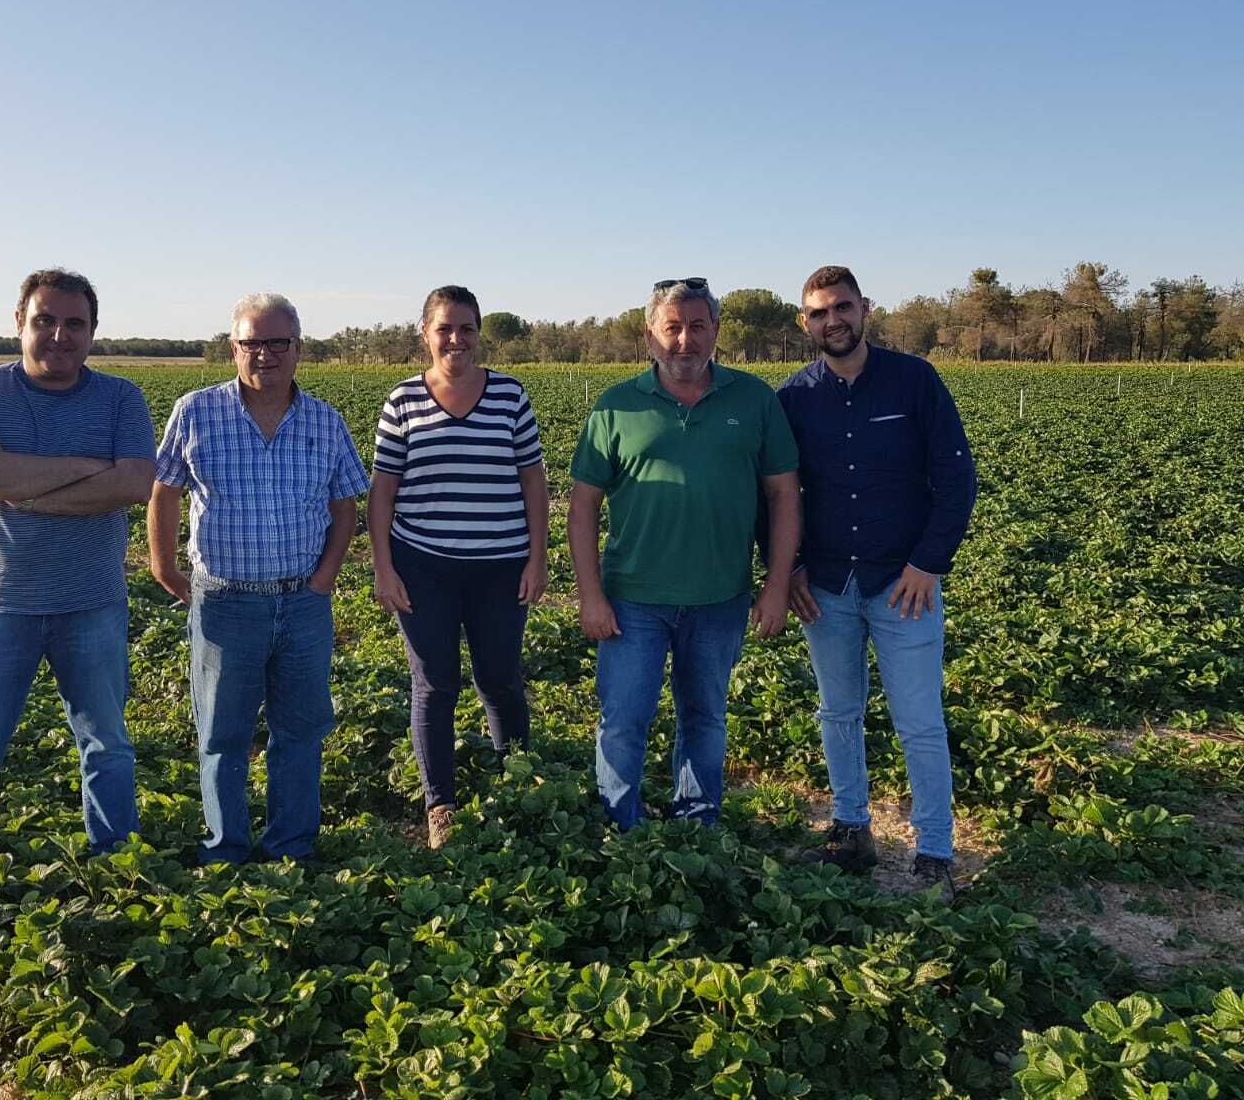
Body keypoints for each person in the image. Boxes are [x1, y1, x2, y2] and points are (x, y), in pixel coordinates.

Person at [0, 268, 157, 879]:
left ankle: (118, 866)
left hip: (92, 602)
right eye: (45, 320)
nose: (59, 335)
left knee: (107, 745)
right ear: (19, 322)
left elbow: (136, 484)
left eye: (75, 323)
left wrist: (23, 486)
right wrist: (90, 468)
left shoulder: (120, 398)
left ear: (93, 331)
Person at [568, 277, 801, 829]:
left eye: (697, 326)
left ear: (716, 330)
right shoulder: (616, 406)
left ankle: (697, 823)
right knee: (624, 719)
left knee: (705, 717)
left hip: (720, 597)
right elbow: (582, 506)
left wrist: (776, 585)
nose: (684, 340)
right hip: (632, 600)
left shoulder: (755, 400)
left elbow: (784, 495)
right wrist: (590, 595)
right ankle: (622, 826)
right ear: (650, 334)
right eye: (672, 327)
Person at [147, 293, 368, 864]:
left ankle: (291, 844)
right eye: (252, 343)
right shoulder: (196, 411)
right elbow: (163, 491)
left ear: (298, 349)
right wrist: (163, 565)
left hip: (303, 602)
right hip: (225, 602)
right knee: (223, 734)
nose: (264, 354)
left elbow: (345, 505)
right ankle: (226, 847)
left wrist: (324, 579)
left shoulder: (324, 421)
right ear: (234, 349)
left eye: (277, 342)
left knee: (301, 730)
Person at [777, 265, 977, 894]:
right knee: (838, 712)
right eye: (819, 312)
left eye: (842, 307)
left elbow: (957, 479)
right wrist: (791, 568)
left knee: (919, 720)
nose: (832, 320)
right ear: (805, 322)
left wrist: (928, 564)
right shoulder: (793, 398)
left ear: (864, 308)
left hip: (902, 584)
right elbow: (776, 495)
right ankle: (850, 829)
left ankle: (935, 853)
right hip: (827, 586)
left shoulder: (914, 381)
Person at [369, 286, 548, 849]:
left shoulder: (509, 395)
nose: (456, 339)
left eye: (466, 328)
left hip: (501, 565)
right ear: (425, 333)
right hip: (423, 566)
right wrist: (383, 567)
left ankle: (515, 782)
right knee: (434, 683)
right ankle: (439, 803)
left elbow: (534, 480)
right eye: (444, 328)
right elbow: (382, 491)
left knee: (500, 678)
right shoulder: (403, 400)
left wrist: (538, 558)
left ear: (478, 334)